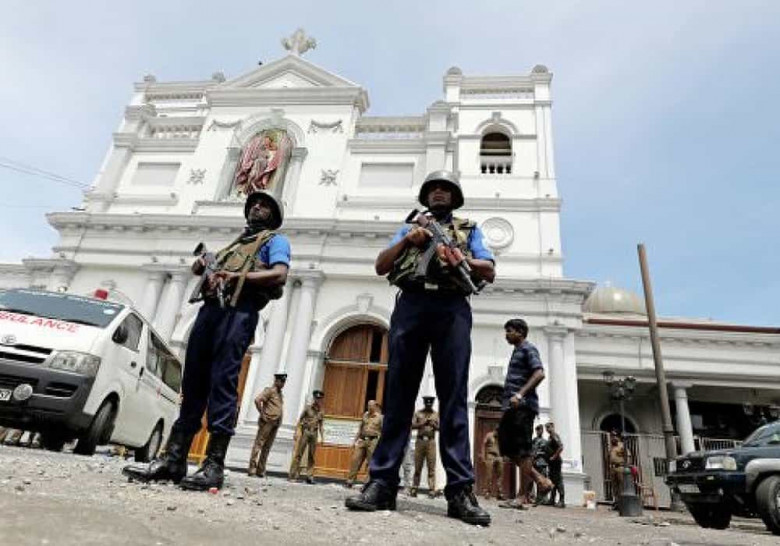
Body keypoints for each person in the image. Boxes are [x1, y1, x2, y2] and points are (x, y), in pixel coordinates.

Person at [345, 170, 495, 526]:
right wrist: (408, 241)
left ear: (455, 197)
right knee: (398, 396)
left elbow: (488, 269)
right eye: (433, 189)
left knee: (454, 398)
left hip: (451, 308)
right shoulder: (410, 227)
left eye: (446, 189)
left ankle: (460, 490)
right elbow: (381, 265)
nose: (439, 193)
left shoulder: (470, 229)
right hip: (411, 304)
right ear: (426, 197)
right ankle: (382, 483)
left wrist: (461, 260)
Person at [123, 191, 290, 491]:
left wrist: (235, 277)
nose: (257, 206)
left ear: (274, 215)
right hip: (209, 312)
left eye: (264, 205)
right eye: (254, 203)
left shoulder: (274, 241)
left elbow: (279, 275)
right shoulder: (234, 245)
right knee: (193, 383)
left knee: (223, 382)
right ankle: (174, 459)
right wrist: (203, 265)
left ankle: (214, 464)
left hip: (239, 312)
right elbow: (198, 270)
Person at [498, 318, 553, 507]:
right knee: (507, 448)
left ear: (520, 332)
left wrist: (520, 394)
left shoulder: (528, 349)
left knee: (523, 451)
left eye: (510, 331)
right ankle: (540, 480)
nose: (506, 335)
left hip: (523, 407)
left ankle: (522, 496)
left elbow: (539, 373)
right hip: (511, 408)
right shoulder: (517, 350)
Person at [248, 373, 287, 477]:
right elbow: (257, 400)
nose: (283, 384)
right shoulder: (269, 391)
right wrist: (262, 414)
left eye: (284, 382)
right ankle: (252, 468)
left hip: (275, 423)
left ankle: (261, 470)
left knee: (267, 447)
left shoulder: (279, 394)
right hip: (267, 422)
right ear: (276, 381)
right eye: (281, 381)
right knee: (259, 445)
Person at [289, 389, 325, 484]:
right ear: (314, 398)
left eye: (319, 398)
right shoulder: (307, 408)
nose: (318, 400)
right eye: (316, 398)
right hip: (306, 432)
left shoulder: (321, 411)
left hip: (314, 433)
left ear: (321, 400)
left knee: (312, 456)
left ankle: (310, 476)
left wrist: (322, 437)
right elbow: (300, 420)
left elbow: (321, 425)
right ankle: (293, 475)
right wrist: (296, 432)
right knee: (299, 454)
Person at [345, 400, 383, 488]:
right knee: (355, 460)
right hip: (362, 440)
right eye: (368, 405)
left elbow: (382, 431)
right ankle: (350, 481)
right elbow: (360, 428)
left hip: (373, 441)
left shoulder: (380, 417)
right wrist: (354, 441)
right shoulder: (365, 415)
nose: (369, 407)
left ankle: (367, 483)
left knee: (371, 463)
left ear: (375, 406)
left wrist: (380, 443)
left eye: (371, 406)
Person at [409, 396, 440, 498]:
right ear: (424, 403)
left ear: (432, 404)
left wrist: (434, 425)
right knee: (418, 466)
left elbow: (440, 428)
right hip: (420, 441)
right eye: (427, 403)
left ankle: (431, 490)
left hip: (431, 442)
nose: (428, 404)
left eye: (430, 403)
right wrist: (422, 423)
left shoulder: (436, 414)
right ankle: (414, 488)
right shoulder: (418, 413)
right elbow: (412, 425)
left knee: (431, 466)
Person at [544, 422, 565, 508]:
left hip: (556, 462)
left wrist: (554, 456)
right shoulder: (550, 437)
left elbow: (561, 447)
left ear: (553, 427)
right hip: (551, 463)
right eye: (546, 427)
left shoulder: (554, 436)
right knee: (552, 481)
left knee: (558, 480)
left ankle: (562, 501)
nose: (547, 429)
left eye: (549, 427)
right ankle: (552, 499)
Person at [481, 426, 503, 500]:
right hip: (490, 455)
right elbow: (483, 445)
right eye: (497, 432)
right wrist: (483, 456)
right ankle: (487, 492)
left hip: (499, 456)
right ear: (495, 430)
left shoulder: (501, 437)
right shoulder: (489, 435)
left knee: (500, 475)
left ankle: (499, 493)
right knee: (489, 475)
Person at [531, 424, 549, 505]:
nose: (539, 431)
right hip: (534, 463)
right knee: (535, 480)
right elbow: (531, 450)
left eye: (540, 430)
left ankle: (543, 498)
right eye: (537, 430)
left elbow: (545, 452)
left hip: (541, 463)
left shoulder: (545, 441)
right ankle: (535, 497)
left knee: (542, 481)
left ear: (542, 431)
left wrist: (537, 454)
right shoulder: (534, 440)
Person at [609, 433, 626, 507]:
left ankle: (622, 502)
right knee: (614, 486)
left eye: (615, 436)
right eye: (612, 436)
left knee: (621, 485)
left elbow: (627, 456)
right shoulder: (612, 447)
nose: (614, 437)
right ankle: (616, 502)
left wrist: (626, 466)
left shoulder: (622, 446)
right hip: (613, 468)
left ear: (619, 437)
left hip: (620, 467)